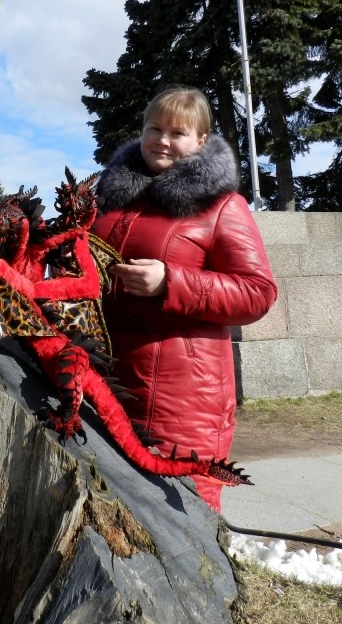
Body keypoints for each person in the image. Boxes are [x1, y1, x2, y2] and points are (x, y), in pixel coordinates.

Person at [93, 86, 277, 511]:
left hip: (183, 397)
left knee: (181, 518)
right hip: (105, 380)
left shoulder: (223, 205)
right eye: (154, 128)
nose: (162, 139)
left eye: (178, 132)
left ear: (200, 141)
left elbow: (258, 292)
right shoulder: (109, 203)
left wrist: (171, 283)